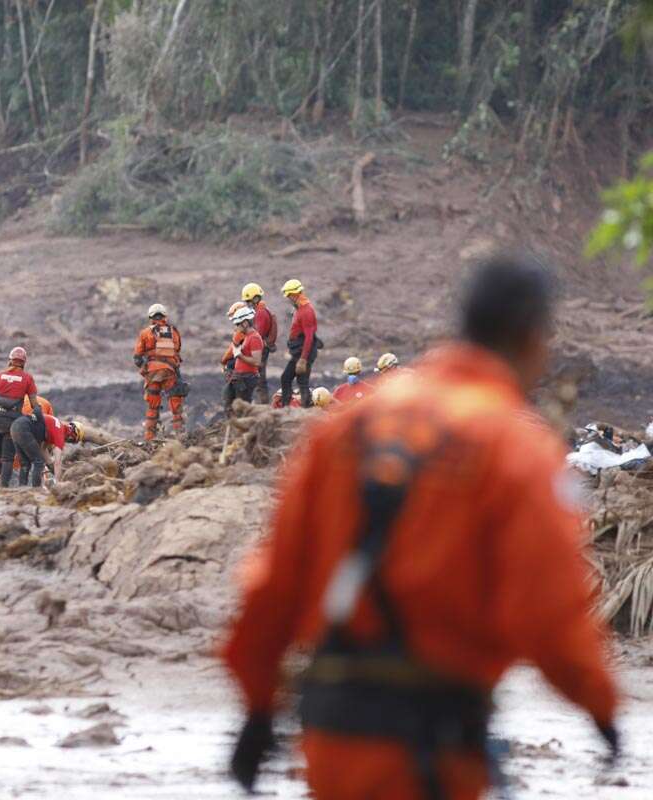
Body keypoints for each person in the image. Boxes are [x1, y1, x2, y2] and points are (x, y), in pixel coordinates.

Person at [223, 255, 619, 800]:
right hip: (436, 743)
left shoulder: (346, 428)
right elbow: (547, 606)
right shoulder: (516, 447)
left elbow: (272, 582)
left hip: (330, 738)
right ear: (532, 337)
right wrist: (600, 708)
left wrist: (257, 708)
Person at [0, 347, 42, 489]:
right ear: (23, 363)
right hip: (12, 421)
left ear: (10, 361)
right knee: (7, 457)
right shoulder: (27, 378)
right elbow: (34, 405)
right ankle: (4, 487)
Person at [133, 303, 186, 440]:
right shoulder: (174, 332)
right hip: (170, 372)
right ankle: (180, 436)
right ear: (165, 317)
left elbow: (137, 358)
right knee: (176, 405)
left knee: (152, 406)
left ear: (151, 318)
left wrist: (145, 365)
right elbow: (177, 350)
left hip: (152, 374)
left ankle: (150, 438)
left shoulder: (145, 333)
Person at [9, 414, 83, 487]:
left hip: (15, 425)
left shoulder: (55, 426)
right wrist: (58, 483)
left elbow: (42, 449)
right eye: (72, 441)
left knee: (25, 463)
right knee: (39, 462)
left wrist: (50, 464)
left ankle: (22, 488)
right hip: (25, 429)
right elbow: (58, 463)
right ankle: (36, 490)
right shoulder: (60, 434)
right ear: (74, 434)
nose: (68, 442)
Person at [280, 279, 321, 408]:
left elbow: (309, 337)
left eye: (288, 296)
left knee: (296, 380)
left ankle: (300, 409)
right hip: (299, 351)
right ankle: (292, 407)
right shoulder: (299, 308)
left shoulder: (306, 311)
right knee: (292, 379)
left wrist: (303, 359)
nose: (288, 299)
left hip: (304, 352)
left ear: (293, 295)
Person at [242, 283, 278, 404]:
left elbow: (258, 334)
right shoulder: (261, 311)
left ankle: (263, 407)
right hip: (262, 349)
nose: (248, 304)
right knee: (258, 380)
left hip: (261, 351)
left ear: (256, 299)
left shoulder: (261, 313)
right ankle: (262, 405)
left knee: (259, 381)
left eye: (249, 301)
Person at [228, 307, 266, 407]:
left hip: (247, 378)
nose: (236, 328)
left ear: (245, 323)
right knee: (234, 404)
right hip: (241, 377)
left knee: (243, 407)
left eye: (238, 325)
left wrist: (239, 355)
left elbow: (257, 361)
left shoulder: (254, 338)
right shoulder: (248, 337)